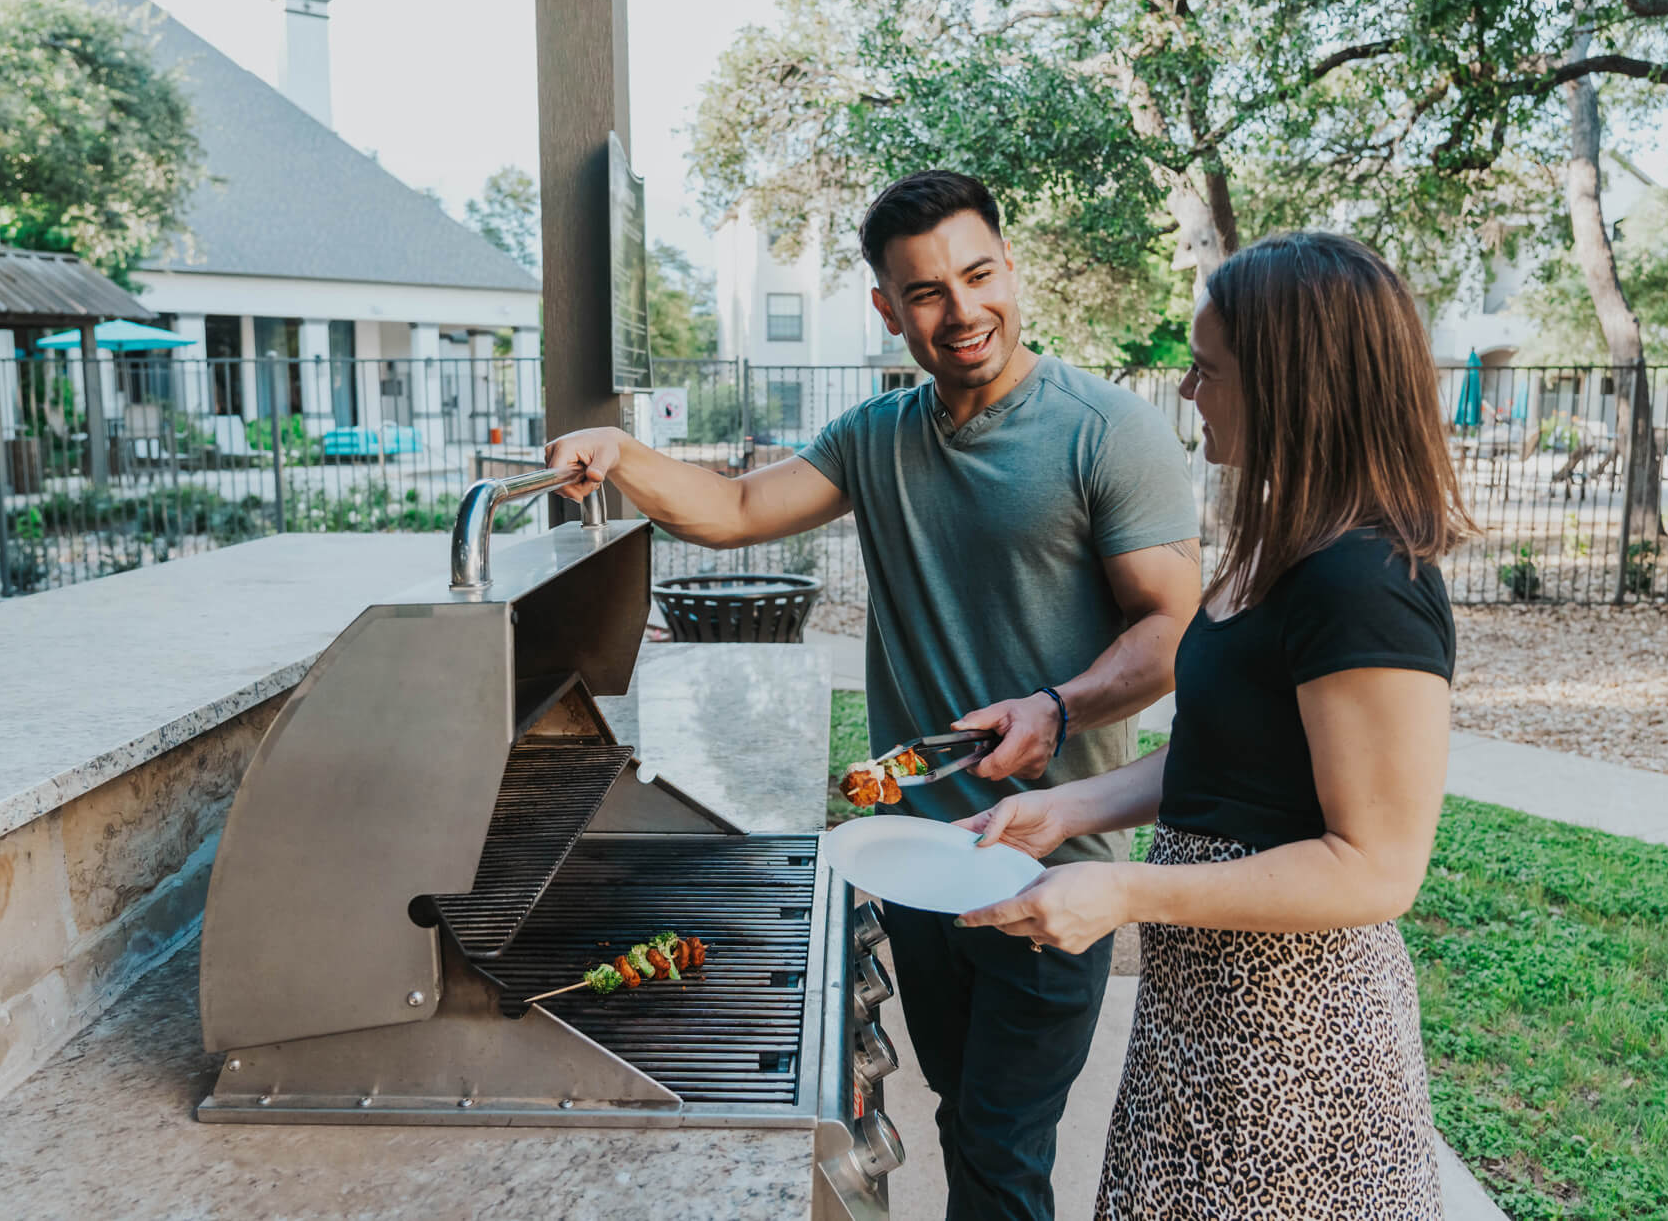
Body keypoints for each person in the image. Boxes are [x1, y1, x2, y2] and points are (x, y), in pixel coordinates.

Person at [545, 169, 1201, 1220]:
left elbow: (1172, 629)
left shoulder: (1105, 431)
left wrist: (1059, 708)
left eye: (977, 275)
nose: (962, 309)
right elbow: (735, 507)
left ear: (1010, 269)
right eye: (927, 292)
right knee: (958, 1114)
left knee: (998, 1146)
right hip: (912, 857)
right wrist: (620, 454)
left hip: (1049, 857)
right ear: (888, 310)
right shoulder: (877, 434)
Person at [958, 231, 1475, 1218]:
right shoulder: (1280, 545)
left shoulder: (1364, 582)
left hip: (1297, 1045)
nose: (1189, 391)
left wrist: (1123, 887)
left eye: (1209, 368)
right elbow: (1229, 757)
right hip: (1204, 1014)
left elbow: (1376, 867)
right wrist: (1061, 810)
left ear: (1290, 386)